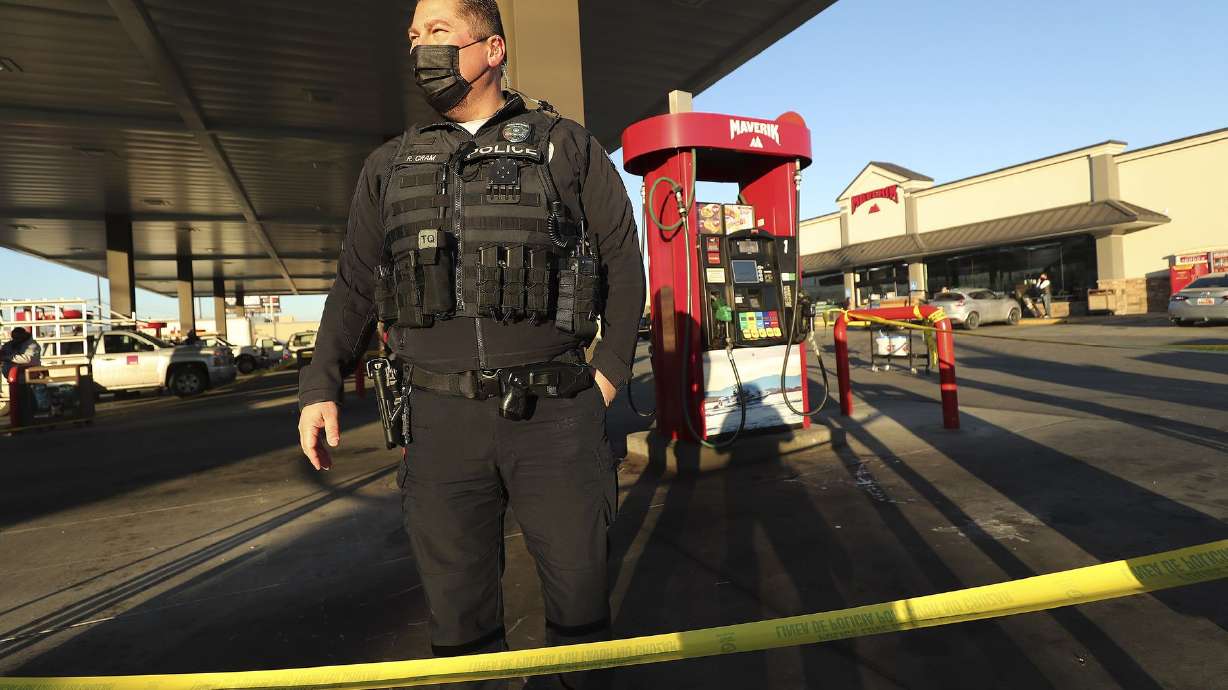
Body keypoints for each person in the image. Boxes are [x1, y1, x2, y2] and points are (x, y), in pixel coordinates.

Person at [296, 1, 644, 687]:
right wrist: (319, 385)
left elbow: (624, 267)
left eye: (438, 32)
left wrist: (605, 377)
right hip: (439, 423)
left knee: (579, 615)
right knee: (459, 625)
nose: (421, 46)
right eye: (414, 36)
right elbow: (356, 284)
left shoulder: (566, 146)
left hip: (555, 418)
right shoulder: (388, 165)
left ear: (492, 48)